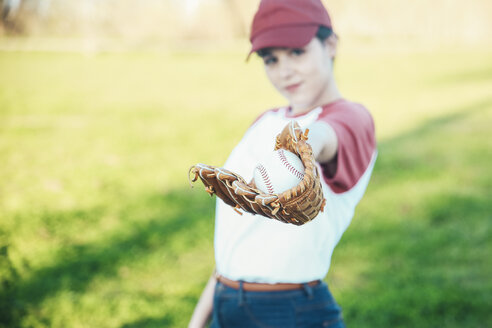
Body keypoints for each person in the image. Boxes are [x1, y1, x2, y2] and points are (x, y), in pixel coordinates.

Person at [189, 0, 377, 327]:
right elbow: (237, 234)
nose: (284, 70)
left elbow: (326, 136)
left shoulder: (351, 118)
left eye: (297, 52)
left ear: (330, 44)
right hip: (226, 299)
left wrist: (299, 149)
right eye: (270, 59)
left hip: (288, 309)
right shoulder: (264, 121)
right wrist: (199, 320)